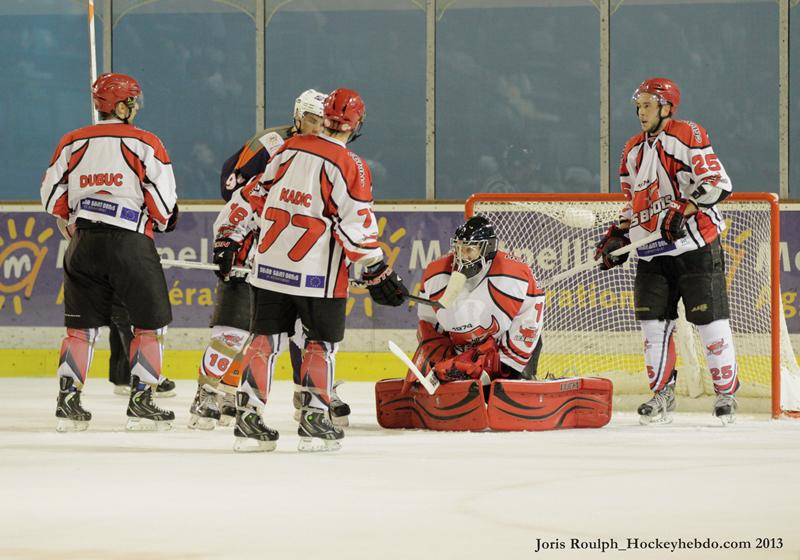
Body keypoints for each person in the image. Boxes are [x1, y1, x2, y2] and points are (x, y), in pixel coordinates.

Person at [215, 88, 407, 452]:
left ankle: (249, 418)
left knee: (263, 341)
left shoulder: (286, 150)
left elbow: (253, 195)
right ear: (356, 125)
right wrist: (377, 270)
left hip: (269, 270)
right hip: (317, 276)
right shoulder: (350, 164)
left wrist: (229, 236)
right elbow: (355, 225)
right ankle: (315, 420)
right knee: (320, 345)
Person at [189, 89, 349, 430]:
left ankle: (309, 396)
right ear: (298, 116)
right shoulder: (272, 144)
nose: (318, 126)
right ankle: (208, 392)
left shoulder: (329, 154)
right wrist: (233, 237)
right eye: (312, 119)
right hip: (253, 247)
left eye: (324, 121)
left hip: (294, 259)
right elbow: (235, 188)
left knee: (307, 333)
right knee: (235, 328)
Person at [595, 77, 739, 425]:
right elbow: (632, 202)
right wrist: (619, 235)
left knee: (709, 321)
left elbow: (718, 184)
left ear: (667, 107)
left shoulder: (687, 134)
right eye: (638, 106)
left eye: (647, 105)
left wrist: (685, 209)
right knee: (652, 325)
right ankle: (662, 394)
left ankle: (725, 395)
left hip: (695, 244)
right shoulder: (632, 149)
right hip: (652, 251)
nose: (640, 112)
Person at [41, 72, 179, 432]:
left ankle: (68, 401)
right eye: (131, 101)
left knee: (79, 329)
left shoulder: (71, 141)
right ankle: (142, 401)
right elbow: (164, 204)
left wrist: (76, 220)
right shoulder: (145, 142)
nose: (135, 107)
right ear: (120, 106)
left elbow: (50, 196)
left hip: (83, 243)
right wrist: (161, 221)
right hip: (130, 242)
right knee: (148, 325)